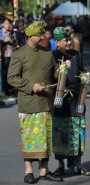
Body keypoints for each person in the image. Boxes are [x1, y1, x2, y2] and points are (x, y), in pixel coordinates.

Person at [7, 20, 63, 183]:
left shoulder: (48, 53)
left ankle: (44, 171)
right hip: (29, 104)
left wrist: (62, 71)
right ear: (31, 36)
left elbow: (54, 76)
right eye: (39, 34)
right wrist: (32, 86)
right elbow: (12, 78)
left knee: (45, 138)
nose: (43, 36)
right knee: (30, 139)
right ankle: (29, 171)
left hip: (46, 103)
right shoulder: (19, 54)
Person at [51, 27, 90, 177]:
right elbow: (50, 77)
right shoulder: (52, 56)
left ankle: (78, 164)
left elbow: (81, 70)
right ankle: (61, 165)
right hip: (60, 101)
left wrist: (85, 77)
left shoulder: (76, 55)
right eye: (65, 40)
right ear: (57, 42)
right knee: (60, 133)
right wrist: (61, 70)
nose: (69, 42)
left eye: (69, 39)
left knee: (78, 131)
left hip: (76, 99)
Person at [1, 18, 16, 95]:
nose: (8, 25)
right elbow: (3, 40)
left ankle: (10, 88)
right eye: (6, 23)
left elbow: (14, 42)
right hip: (4, 55)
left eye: (9, 24)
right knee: (5, 72)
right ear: (2, 24)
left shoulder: (12, 32)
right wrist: (6, 40)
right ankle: (5, 89)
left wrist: (10, 40)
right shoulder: (1, 32)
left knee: (11, 72)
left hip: (12, 54)